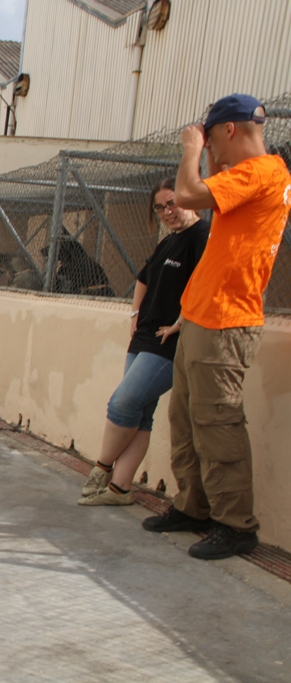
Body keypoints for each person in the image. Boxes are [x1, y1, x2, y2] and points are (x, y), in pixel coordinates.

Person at [141, 94, 291, 560]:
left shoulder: (262, 171)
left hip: (226, 322)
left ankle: (235, 524)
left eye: (211, 140)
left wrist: (189, 148)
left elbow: (187, 194)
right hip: (203, 317)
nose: (209, 154)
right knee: (185, 420)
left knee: (218, 423)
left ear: (229, 130)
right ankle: (193, 507)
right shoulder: (247, 177)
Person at [78, 177, 208, 506]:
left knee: (123, 402)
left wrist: (180, 322)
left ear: (190, 201)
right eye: (161, 207)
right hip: (144, 335)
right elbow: (143, 277)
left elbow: (207, 283)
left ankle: (102, 467)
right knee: (141, 412)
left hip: (168, 340)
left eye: (173, 203)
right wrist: (134, 315)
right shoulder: (169, 242)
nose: (167, 211)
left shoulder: (201, 236)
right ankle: (121, 488)